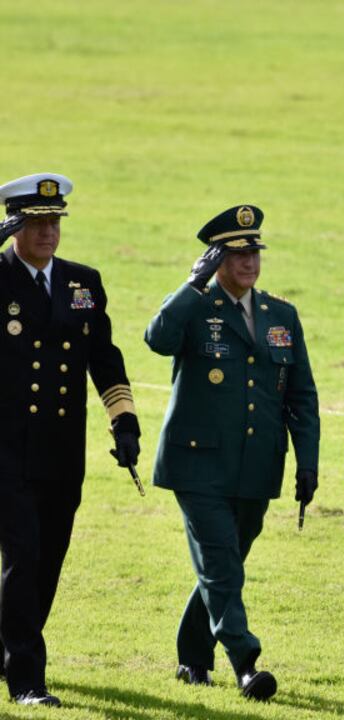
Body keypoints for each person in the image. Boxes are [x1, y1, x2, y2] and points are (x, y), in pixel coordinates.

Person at [145, 205, 319, 701]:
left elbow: (301, 396)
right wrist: (193, 284)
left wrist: (307, 461)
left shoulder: (280, 314)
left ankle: (192, 655)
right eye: (237, 253)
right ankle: (246, 660)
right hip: (196, 462)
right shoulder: (195, 305)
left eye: (253, 252)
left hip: (257, 464)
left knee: (226, 565)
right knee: (221, 564)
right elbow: (157, 339)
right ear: (217, 258)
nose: (249, 262)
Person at [0, 173, 140, 707]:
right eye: (35, 222)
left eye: (54, 222)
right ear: (15, 226)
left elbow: (103, 356)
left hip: (61, 446)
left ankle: (7, 650)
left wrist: (123, 419)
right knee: (24, 552)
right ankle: (27, 681)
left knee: (49, 557)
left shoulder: (83, 282)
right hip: (6, 445)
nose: (48, 232)